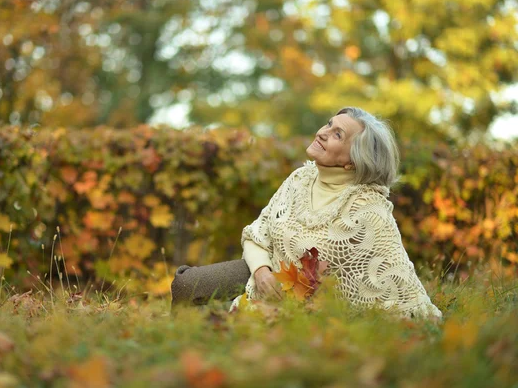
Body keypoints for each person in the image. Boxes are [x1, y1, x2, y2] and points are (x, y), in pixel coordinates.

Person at [171, 107, 442, 319]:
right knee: (185, 285)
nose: (323, 132)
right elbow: (257, 235)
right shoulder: (300, 178)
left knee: (223, 323)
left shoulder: (369, 208)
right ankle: (188, 336)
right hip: (266, 273)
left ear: (353, 160)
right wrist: (262, 272)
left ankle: (213, 329)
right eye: (329, 124)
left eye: (338, 135)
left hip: (311, 305)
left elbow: (393, 281)